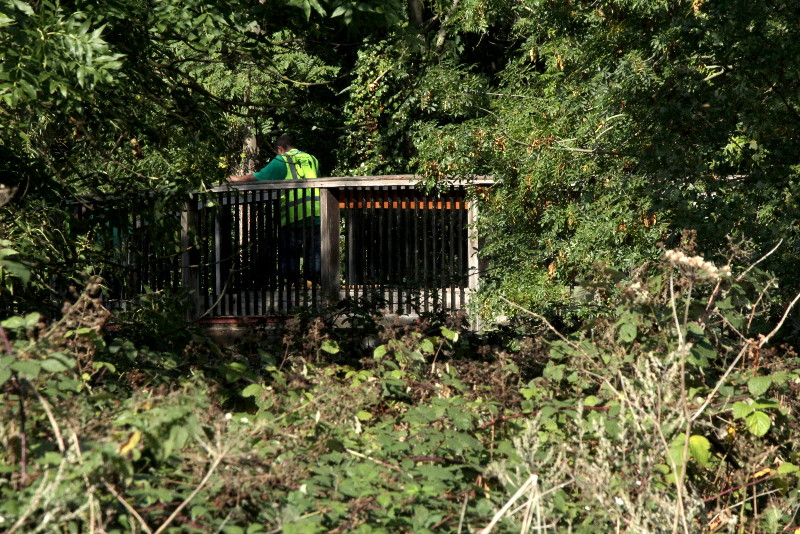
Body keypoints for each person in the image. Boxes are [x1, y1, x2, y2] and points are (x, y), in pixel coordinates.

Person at [229, 134, 321, 286]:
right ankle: (316, 286)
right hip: (316, 213)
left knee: (290, 255)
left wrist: (233, 179)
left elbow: (259, 177)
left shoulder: (281, 160)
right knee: (314, 253)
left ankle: (292, 288)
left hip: (293, 216)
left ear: (280, 149)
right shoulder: (312, 159)